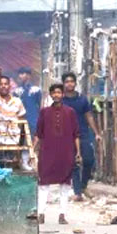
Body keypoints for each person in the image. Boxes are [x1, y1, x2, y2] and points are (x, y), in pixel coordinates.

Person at [34, 83, 80, 225]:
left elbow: (75, 134)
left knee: (65, 184)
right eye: (54, 93)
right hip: (47, 152)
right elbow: (38, 134)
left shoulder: (70, 112)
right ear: (51, 95)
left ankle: (62, 214)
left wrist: (78, 152)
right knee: (43, 183)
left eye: (59, 93)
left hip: (66, 152)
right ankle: (41, 213)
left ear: (63, 94)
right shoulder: (44, 112)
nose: (56, 95)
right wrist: (32, 150)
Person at [60, 72, 102, 200]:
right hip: (67, 136)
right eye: (67, 82)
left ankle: (84, 186)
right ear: (63, 84)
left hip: (83, 133)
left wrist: (96, 133)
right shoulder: (60, 100)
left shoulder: (82, 99)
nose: (69, 84)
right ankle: (77, 192)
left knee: (89, 160)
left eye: (71, 81)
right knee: (73, 164)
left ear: (75, 83)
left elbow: (88, 116)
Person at [0, 73, 27, 164]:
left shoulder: (17, 101)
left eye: (5, 84)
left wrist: (20, 142)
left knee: (11, 166)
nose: (3, 86)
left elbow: (22, 122)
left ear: (9, 86)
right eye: (1, 84)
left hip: (13, 139)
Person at [13, 67, 42, 139]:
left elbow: (40, 104)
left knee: (35, 141)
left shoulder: (36, 90)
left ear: (29, 75)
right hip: (21, 120)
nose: (20, 76)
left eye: (22, 74)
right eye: (19, 74)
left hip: (34, 120)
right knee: (21, 141)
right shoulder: (16, 91)